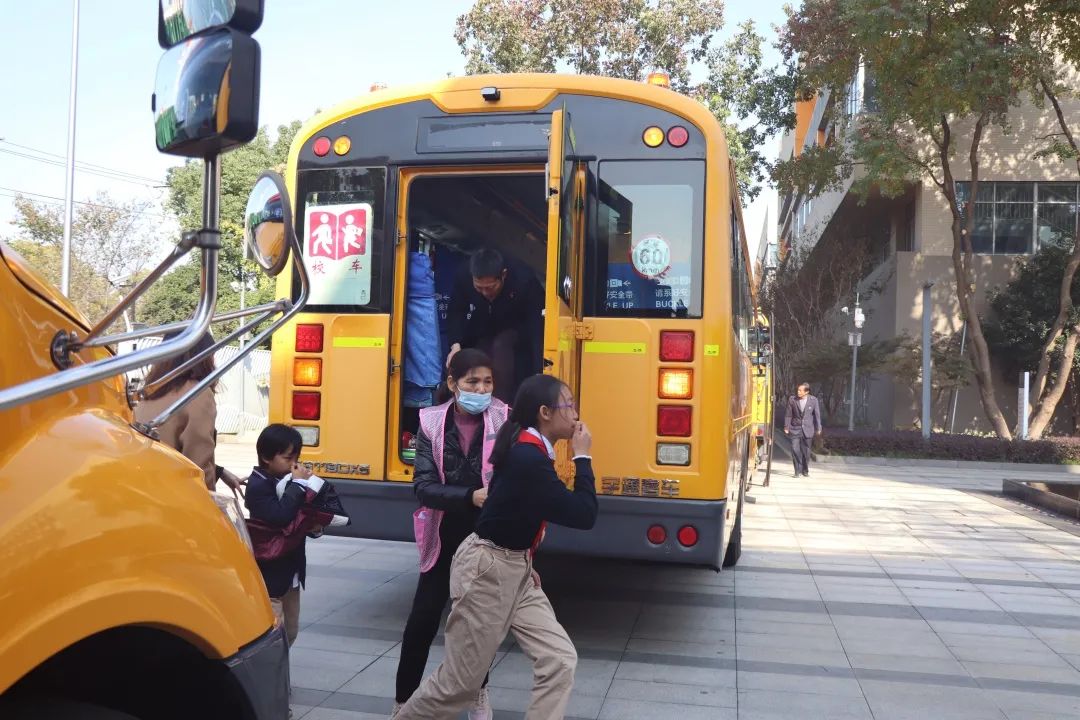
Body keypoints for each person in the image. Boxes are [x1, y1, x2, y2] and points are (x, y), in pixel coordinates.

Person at [393, 375, 598, 720]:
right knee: (460, 684)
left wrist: (525, 559)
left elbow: (512, 514)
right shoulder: (528, 458)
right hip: (488, 571)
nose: (576, 413)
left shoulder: (528, 450)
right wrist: (582, 458)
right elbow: (583, 513)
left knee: (558, 659)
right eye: (570, 404)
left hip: (515, 568)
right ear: (546, 413)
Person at [393, 349, 509, 720]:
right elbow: (424, 486)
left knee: (477, 622)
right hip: (443, 535)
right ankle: (403, 701)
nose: (481, 388)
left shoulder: (505, 419)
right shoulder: (429, 422)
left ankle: (478, 691)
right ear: (452, 384)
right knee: (423, 619)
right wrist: (469, 496)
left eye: (487, 381)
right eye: (473, 381)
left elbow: (513, 478)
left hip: (486, 537)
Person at [245, 424, 325, 647]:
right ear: (266, 457)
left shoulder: (288, 481)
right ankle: (269, 678)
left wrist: (316, 525)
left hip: (292, 570)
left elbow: (298, 518)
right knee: (271, 634)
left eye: (296, 457)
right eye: (287, 457)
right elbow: (279, 516)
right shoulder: (258, 484)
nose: (293, 464)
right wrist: (299, 484)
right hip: (271, 571)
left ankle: (277, 674)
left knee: (290, 630)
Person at [135, 331, 243, 492]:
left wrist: (220, 471)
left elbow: (166, 446)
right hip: (174, 496)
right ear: (204, 358)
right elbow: (198, 463)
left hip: (143, 489)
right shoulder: (197, 393)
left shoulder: (148, 392)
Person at [445, 248, 544, 404]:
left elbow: (536, 325)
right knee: (469, 354)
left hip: (516, 324)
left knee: (502, 347)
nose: (485, 293)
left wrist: (540, 369)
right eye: (479, 288)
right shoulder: (463, 274)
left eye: (490, 287)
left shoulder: (524, 279)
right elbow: (456, 311)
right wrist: (455, 345)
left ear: (503, 275)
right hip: (481, 320)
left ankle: (501, 406)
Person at [785, 382, 822, 477]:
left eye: (800, 390)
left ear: (806, 392)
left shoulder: (813, 400)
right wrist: (786, 426)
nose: (798, 392)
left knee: (806, 452)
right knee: (794, 448)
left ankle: (805, 470)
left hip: (808, 429)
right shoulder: (792, 399)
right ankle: (797, 471)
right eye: (798, 390)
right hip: (795, 428)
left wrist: (818, 428)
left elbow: (817, 415)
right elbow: (788, 414)